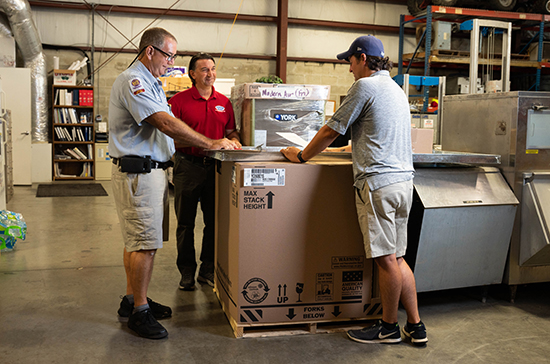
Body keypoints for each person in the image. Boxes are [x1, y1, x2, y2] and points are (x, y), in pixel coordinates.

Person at [281, 35, 427, 346]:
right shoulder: (396, 89)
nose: (349, 69)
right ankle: (415, 326)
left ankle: (388, 328)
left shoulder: (365, 86)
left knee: (386, 260)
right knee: (398, 258)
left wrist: (303, 155)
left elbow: (331, 129)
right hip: (404, 184)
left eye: (349, 61)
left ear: (362, 58)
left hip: (379, 184)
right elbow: (372, 133)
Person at [109, 27, 239, 340]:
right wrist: (210, 142)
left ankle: (132, 300)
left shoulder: (152, 83)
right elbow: (165, 123)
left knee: (138, 241)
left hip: (148, 172)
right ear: (149, 51)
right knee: (145, 243)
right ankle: (139, 312)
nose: (171, 62)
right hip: (139, 172)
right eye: (168, 55)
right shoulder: (134, 81)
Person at [169, 53, 241, 291]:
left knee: (213, 222)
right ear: (192, 74)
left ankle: (207, 270)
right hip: (187, 166)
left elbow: (231, 132)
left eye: (212, 69)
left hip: (216, 168)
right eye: (204, 70)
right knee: (185, 223)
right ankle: (186, 272)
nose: (210, 74)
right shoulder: (178, 102)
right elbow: (171, 135)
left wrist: (235, 141)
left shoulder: (224, 102)